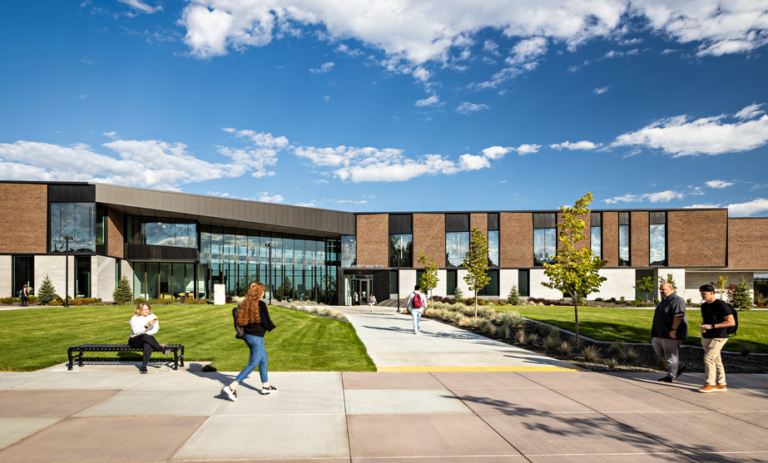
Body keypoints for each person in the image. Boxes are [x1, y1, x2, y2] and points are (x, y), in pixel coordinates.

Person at [222, 282, 277, 401]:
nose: (264, 293)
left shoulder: (246, 304)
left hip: (249, 337)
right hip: (257, 338)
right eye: (262, 290)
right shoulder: (260, 304)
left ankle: (266, 386)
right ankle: (232, 386)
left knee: (263, 360)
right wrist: (272, 327)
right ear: (259, 292)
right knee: (253, 364)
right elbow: (265, 321)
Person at [698, 284, 736, 393]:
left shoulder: (721, 305)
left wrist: (712, 326)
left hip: (719, 335)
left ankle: (710, 383)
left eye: (703, 293)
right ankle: (722, 384)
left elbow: (731, 321)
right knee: (716, 359)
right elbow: (705, 319)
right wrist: (704, 327)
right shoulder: (704, 306)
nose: (702, 295)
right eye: (701, 293)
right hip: (707, 335)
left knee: (708, 358)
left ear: (711, 292)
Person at [651, 282, 688, 382]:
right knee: (657, 347)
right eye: (660, 289)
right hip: (661, 333)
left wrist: (674, 329)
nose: (661, 291)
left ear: (671, 289)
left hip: (671, 333)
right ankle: (679, 365)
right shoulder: (664, 300)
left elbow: (679, 315)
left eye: (664, 289)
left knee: (670, 354)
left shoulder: (676, 300)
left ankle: (671, 376)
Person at [129, 302, 171, 374]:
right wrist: (147, 325)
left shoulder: (152, 316)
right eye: (144, 309)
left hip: (148, 339)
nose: (147, 311)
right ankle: (162, 349)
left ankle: (144, 367)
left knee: (147, 344)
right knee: (144, 336)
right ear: (139, 310)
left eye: (148, 309)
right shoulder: (134, 318)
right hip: (135, 340)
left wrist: (147, 333)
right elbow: (136, 332)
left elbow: (156, 328)